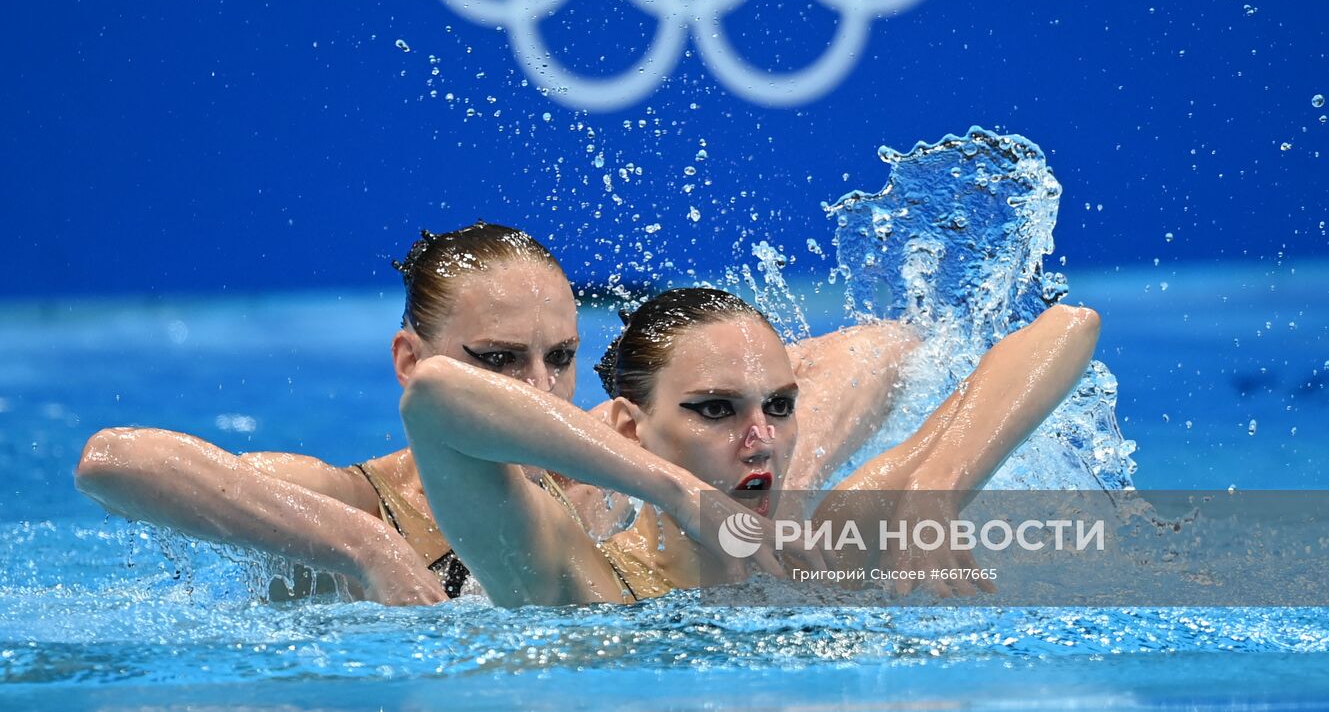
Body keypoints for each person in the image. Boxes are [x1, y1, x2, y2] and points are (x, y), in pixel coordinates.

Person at [75, 225, 919, 605]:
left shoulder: (610, 452)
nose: (540, 389)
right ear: (412, 361)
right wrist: (364, 550)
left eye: (559, 357)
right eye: (500, 360)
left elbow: (879, 348)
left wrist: (772, 486)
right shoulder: (358, 502)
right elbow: (113, 461)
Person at [400, 287, 1101, 607]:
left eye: (780, 407)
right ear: (628, 428)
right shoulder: (579, 581)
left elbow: (1067, 327)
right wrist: (678, 491)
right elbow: (434, 393)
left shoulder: (827, 557)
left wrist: (936, 488)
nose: (761, 441)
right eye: (715, 410)